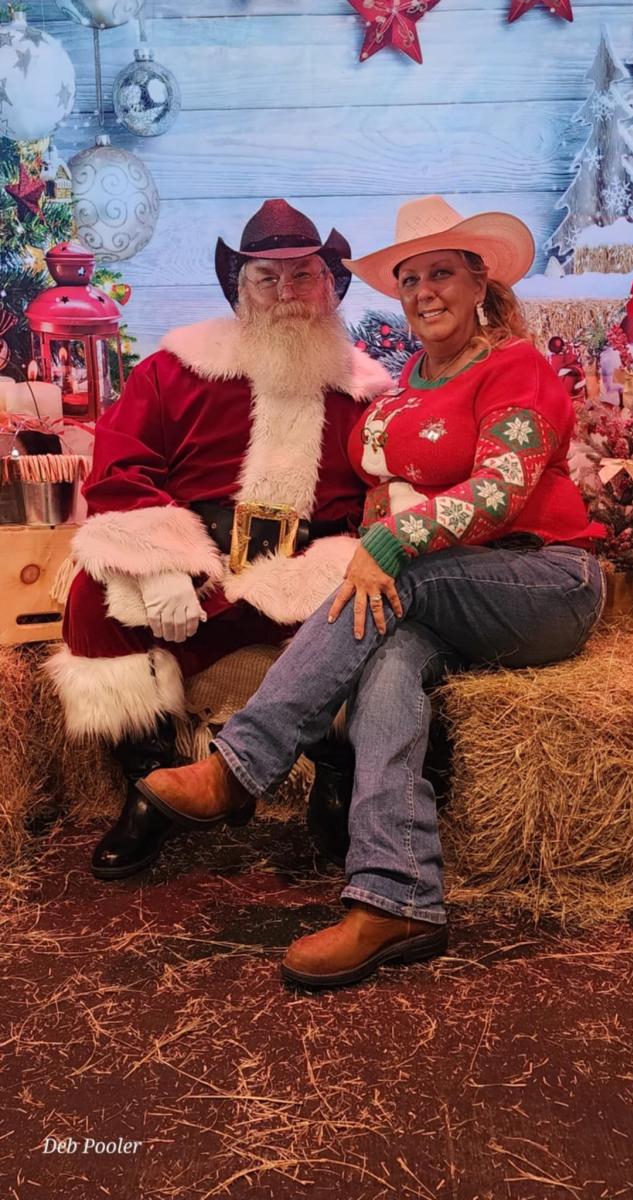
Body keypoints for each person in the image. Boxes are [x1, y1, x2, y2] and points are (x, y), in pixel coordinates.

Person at [131, 196, 606, 989]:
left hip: (543, 579)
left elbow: (499, 486)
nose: (423, 291)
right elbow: (379, 495)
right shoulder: (405, 387)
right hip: (444, 594)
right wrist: (372, 533)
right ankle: (398, 895)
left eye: (441, 273)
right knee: (384, 650)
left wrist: (385, 544)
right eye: (409, 277)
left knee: (395, 580)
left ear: (479, 279)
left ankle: (243, 762)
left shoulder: (514, 365)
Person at [46, 199, 391, 882]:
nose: (287, 294)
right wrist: (166, 563)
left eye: (304, 276)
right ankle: (149, 789)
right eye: (268, 277)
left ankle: (334, 774)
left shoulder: (366, 389)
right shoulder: (175, 370)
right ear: (240, 289)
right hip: (200, 558)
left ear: (333, 286)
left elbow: (390, 487)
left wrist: (363, 551)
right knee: (94, 599)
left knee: (362, 620)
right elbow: (122, 465)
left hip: (313, 563)